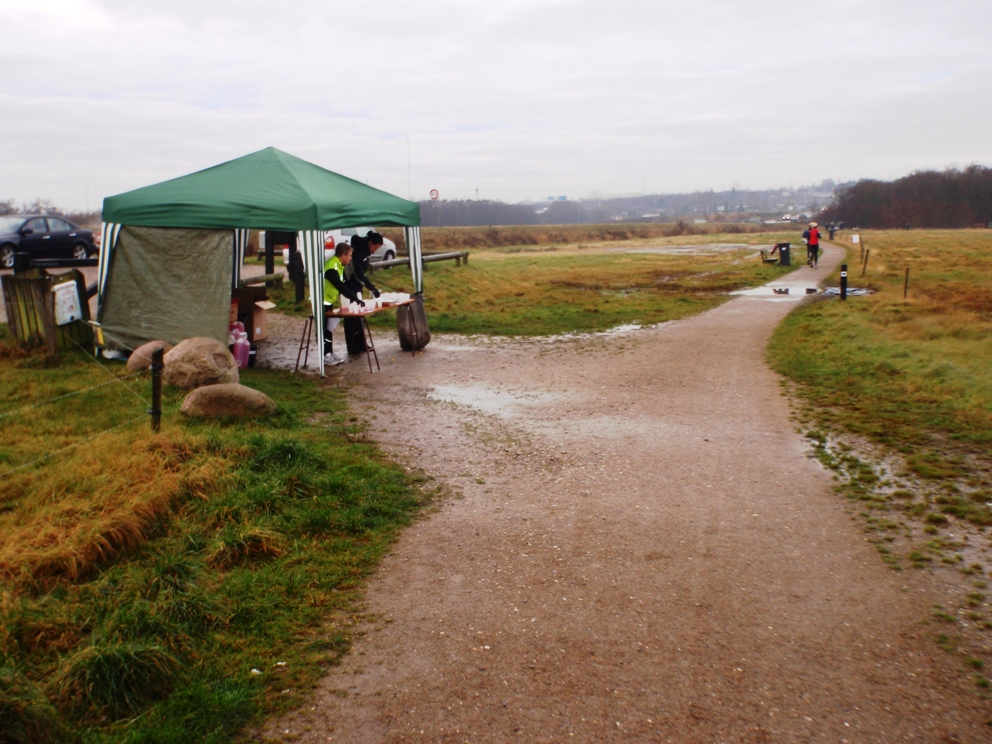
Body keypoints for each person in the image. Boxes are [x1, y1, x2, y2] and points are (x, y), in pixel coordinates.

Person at [323, 243, 365, 366]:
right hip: (321, 301)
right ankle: (325, 354)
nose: (351, 258)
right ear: (343, 255)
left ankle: (329, 352)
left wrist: (355, 292)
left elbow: (344, 283)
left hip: (329, 301)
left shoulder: (338, 265)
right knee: (324, 330)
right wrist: (354, 298)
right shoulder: (331, 267)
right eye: (350, 255)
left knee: (329, 329)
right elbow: (339, 285)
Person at [343, 231, 383, 354]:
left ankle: (361, 343)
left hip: (357, 286)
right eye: (375, 247)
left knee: (360, 315)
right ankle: (352, 346)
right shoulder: (359, 250)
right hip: (349, 285)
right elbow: (358, 273)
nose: (375, 250)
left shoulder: (366, 251)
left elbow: (362, 273)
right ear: (370, 242)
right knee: (351, 316)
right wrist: (372, 288)